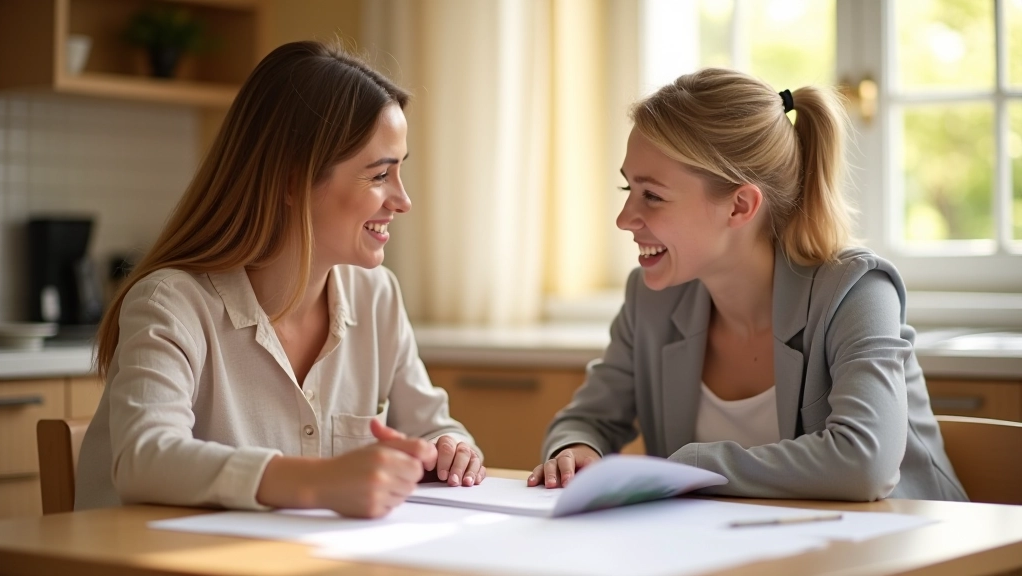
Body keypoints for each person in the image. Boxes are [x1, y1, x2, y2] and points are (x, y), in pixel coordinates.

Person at [76, 41, 485, 519]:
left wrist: (450, 448)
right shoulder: (171, 303)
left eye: (400, 172)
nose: (402, 200)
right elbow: (145, 458)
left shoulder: (377, 297)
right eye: (379, 175)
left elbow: (433, 428)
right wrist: (319, 482)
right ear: (293, 180)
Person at [529, 69, 967, 502]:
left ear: (740, 206)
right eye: (628, 187)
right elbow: (588, 420)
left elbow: (863, 464)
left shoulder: (856, 291)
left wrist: (691, 468)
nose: (624, 218)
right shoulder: (651, 300)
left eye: (652, 195)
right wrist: (575, 450)